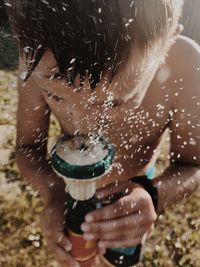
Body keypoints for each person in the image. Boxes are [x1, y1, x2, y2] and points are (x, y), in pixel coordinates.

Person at [6, 0, 200, 266]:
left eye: (116, 102)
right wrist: (54, 192)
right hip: (69, 195)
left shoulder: (186, 65)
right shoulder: (35, 59)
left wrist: (154, 195)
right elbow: (28, 148)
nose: (87, 126)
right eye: (56, 97)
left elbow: (192, 163)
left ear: (165, 45)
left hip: (134, 194)